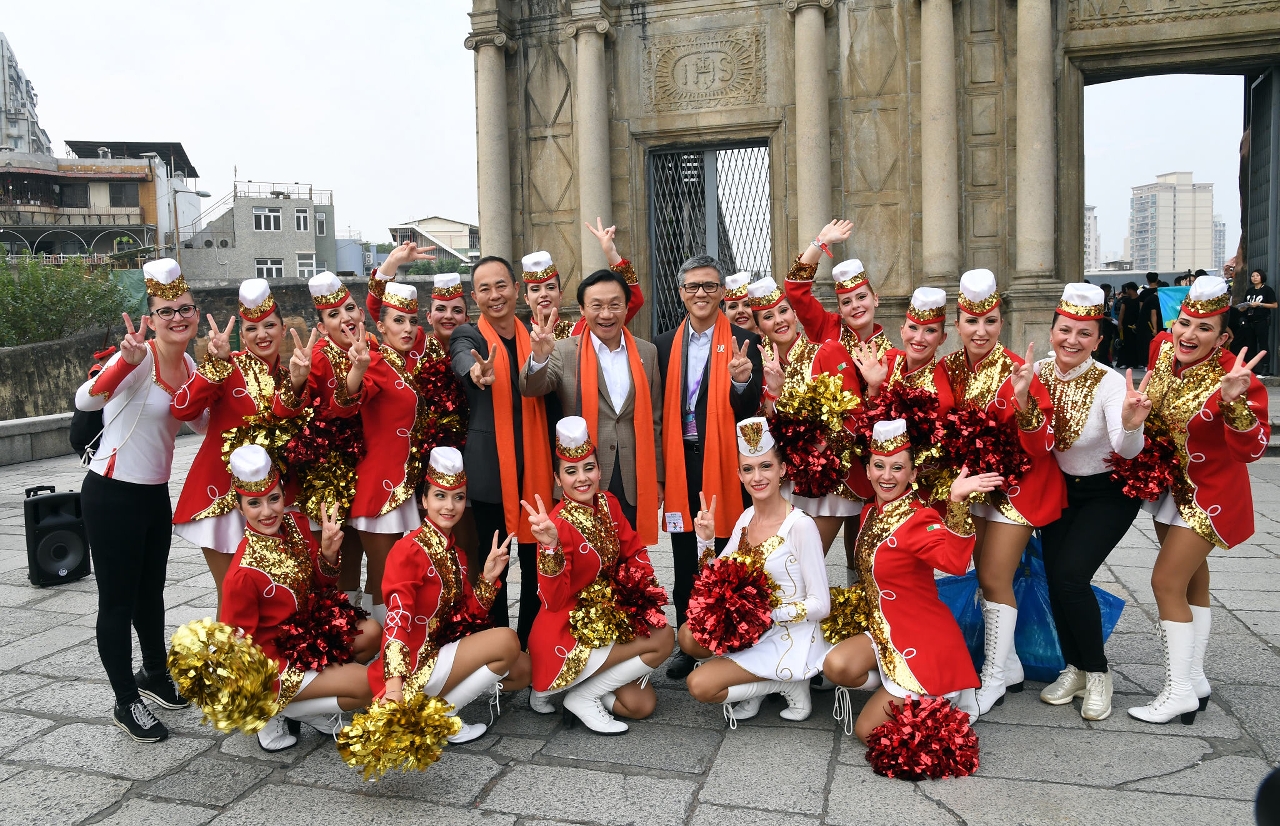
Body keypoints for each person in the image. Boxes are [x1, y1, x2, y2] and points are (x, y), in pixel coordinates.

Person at [75, 258, 206, 743]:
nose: (178, 317)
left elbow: (203, 427)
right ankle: (124, 699)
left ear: (195, 313)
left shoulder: (190, 364)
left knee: (151, 592)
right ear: (150, 316)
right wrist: (123, 365)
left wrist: (219, 381)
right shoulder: (138, 357)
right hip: (111, 495)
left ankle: (154, 674)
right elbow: (85, 401)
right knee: (117, 600)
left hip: (154, 495)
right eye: (166, 310)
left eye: (185, 308)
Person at [1129, 276, 1269, 724]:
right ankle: (1195, 679)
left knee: (1164, 583)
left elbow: (1253, 450)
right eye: (1184, 323)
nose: (1189, 335)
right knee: (1192, 584)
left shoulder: (1238, 376)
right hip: (1169, 487)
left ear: (1223, 336)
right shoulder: (1161, 351)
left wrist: (1234, 403)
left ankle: (1177, 691)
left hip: (1211, 495)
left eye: (1204, 328)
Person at [934, 268, 1065, 714]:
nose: (981, 331)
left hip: (1019, 488)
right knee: (985, 573)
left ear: (1000, 322)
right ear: (958, 324)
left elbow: (1043, 445)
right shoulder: (948, 367)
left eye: (990, 321)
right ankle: (1007, 665)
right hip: (974, 489)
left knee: (992, 577)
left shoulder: (1018, 369)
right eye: (972, 321)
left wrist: (1025, 401)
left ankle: (991, 679)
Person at [823, 419, 1003, 740]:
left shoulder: (921, 517)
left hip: (919, 639)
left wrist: (957, 502)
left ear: (912, 474)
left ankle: (929, 696)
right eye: (879, 466)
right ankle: (895, 687)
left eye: (897, 468)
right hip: (883, 630)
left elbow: (955, 561)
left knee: (868, 733)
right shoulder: (869, 513)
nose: (887, 476)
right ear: (867, 470)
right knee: (836, 665)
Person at [1034, 284, 1150, 721]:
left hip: (1108, 493)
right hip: (1060, 491)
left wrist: (1132, 423)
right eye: (1066, 330)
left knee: (1070, 576)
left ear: (1099, 340)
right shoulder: (1039, 372)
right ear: (1052, 331)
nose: (1073, 341)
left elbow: (1126, 448)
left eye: (1085, 334)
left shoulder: (1109, 382)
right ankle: (1075, 668)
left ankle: (1099, 673)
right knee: (1055, 579)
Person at [219, 445, 380, 752]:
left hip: (309, 640)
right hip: (273, 663)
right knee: (368, 684)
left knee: (372, 633)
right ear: (239, 507)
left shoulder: (297, 526)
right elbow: (237, 650)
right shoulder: (242, 574)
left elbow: (319, 585)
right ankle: (276, 707)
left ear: (283, 493)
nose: (267, 512)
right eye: (254, 503)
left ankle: (313, 703)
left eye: (274, 499)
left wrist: (329, 554)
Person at [523, 418, 675, 733]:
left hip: (611, 619)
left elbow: (633, 550)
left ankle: (583, 692)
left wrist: (641, 594)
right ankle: (581, 695)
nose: (582, 479)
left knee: (640, 706)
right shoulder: (556, 525)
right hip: (569, 630)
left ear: (599, 468)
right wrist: (550, 547)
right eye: (571, 471)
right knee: (664, 638)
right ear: (557, 478)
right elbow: (552, 600)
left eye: (588, 468)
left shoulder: (608, 503)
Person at [371, 447, 532, 743]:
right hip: (416, 662)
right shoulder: (408, 550)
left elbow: (467, 616)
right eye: (440, 496)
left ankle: (434, 707)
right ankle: (439, 716)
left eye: (458, 497)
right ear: (423, 500)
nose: (450, 506)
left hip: (443, 650)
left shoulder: (455, 553)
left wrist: (488, 577)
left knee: (522, 669)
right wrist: (394, 687)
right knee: (507, 639)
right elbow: (396, 621)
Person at [680, 417, 832, 724]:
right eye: (748, 469)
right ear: (739, 475)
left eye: (766, 466)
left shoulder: (800, 526)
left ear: (782, 470)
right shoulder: (746, 518)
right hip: (753, 631)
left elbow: (822, 604)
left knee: (700, 685)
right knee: (687, 636)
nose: (757, 476)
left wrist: (763, 615)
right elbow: (714, 575)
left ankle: (789, 683)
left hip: (789, 634)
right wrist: (705, 540)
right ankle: (756, 688)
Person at [655, 254, 763, 680]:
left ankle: (735, 637)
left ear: (722, 292)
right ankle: (690, 639)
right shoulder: (663, 345)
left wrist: (741, 379)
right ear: (681, 293)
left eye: (709, 286)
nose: (701, 293)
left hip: (726, 461)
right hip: (682, 458)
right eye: (692, 286)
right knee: (684, 554)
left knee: (729, 549)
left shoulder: (743, 340)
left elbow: (750, 408)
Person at [171, 279, 310, 609]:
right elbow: (182, 409)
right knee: (233, 598)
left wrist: (298, 383)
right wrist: (213, 367)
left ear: (282, 327)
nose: (262, 335)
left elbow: (287, 428)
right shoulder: (228, 365)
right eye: (252, 329)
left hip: (273, 502)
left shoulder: (293, 371)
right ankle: (230, 662)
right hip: (220, 497)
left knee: (273, 598)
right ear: (241, 335)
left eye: (269, 325)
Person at [450, 256, 554, 648]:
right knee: (495, 565)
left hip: (537, 466)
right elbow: (462, 357)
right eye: (485, 289)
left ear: (516, 289)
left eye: (501, 286)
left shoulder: (536, 334)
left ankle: (528, 645)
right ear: (474, 296)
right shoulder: (470, 335)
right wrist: (476, 374)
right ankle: (496, 647)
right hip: (491, 472)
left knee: (534, 564)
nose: (495, 296)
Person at [520, 266, 664, 537]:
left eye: (614, 305)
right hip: (581, 476)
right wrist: (539, 357)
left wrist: (658, 477)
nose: (606, 314)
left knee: (629, 559)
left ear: (625, 307)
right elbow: (532, 388)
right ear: (583, 310)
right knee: (582, 560)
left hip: (633, 476)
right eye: (596, 305)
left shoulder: (648, 352)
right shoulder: (563, 350)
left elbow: (655, 419)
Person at [347, 277, 437, 626]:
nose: (409, 328)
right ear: (380, 326)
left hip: (404, 486)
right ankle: (387, 647)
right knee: (386, 575)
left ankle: (380, 644)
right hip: (379, 487)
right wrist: (356, 370)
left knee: (387, 575)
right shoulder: (375, 361)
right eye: (398, 321)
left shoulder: (409, 363)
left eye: (413, 321)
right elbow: (351, 397)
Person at [785, 219, 892, 360]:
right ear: (840, 311)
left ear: (875, 299)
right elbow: (795, 288)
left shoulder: (891, 356)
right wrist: (821, 242)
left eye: (861, 297)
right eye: (846, 302)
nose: (855, 305)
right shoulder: (827, 328)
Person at [1243, 268, 1275, 375]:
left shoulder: (1267, 290)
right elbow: (1244, 304)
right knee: (1250, 345)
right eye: (1253, 276)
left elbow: (1274, 305)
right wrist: (1243, 307)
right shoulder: (1249, 291)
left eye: (1257, 275)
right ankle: (1251, 368)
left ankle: (1265, 368)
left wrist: (1260, 304)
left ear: (1262, 277)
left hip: (1262, 321)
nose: (1255, 278)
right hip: (1249, 320)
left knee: (1263, 345)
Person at [1115, 282, 1145, 369]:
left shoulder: (1140, 299)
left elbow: (1141, 312)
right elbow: (1122, 313)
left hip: (1136, 325)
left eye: (1127, 289)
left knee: (1136, 344)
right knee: (1126, 344)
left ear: (1130, 289)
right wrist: (1120, 324)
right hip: (1126, 325)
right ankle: (1125, 362)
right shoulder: (1125, 300)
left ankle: (1136, 362)